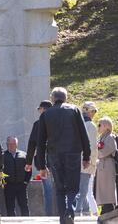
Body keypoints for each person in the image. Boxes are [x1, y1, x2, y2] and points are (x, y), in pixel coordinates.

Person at [36, 87, 91, 224]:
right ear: (65, 98)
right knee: (73, 187)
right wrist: (86, 156)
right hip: (73, 153)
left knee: (60, 188)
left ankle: (63, 218)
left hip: (54, 155)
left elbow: (40, 142)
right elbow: (84, 135)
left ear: (52, 99)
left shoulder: (45, 114)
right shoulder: (74, 110)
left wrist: (41, 165)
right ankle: (69, 212)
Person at [26, 99, 55, 216]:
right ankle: (63, 213)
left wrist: (28, 162)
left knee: (47, 190)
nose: (39, 111)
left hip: (43, 161)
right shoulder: (57, 123)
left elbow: (32, 144)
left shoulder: (38, 124)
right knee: (61, 189)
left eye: (39, 109)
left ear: (43, 109)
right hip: (58, 160)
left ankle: (50, 216)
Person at [76, 101, 99, 216]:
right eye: (93, 111)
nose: (94, 113)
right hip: (87, 161)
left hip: (76, 160)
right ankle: (77, 211)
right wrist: (93, 163)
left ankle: (85, 211)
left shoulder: (77, 124)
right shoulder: (91, 126)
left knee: (81, 188)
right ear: (90, 111)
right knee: (84, 189)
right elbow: (93, 147)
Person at [3, 136, 31, 216]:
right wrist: (3, 182)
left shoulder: (23, 155)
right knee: (10, 207)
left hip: (21, 185)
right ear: (7, 144)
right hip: (9, 185)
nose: (12, 146)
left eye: (14, 144)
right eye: (10, 144)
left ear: (17, 144)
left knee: (24, 206)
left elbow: (29, 169)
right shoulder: (3, 156)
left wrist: (26, 181)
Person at [96, 117, 117, 215]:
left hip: (107, 165)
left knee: (108, 188)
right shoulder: (102, 137)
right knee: (102, 188)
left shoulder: (110, 137)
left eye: (100, 125)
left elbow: (109, 149)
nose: (98, 127)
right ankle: (105, 207)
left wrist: (97, 152)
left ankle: (109, 207)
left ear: (106, 126)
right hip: (102, 165)